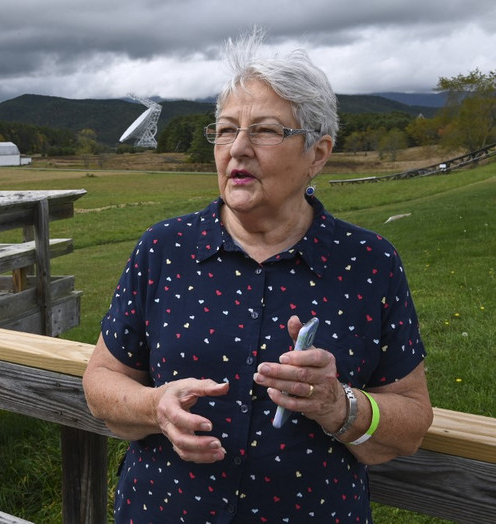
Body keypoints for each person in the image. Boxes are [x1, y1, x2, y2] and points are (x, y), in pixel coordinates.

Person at [82, 27, 433, 523]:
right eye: (226, 130)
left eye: (265, 130)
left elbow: (412, 422)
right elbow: (102, 379)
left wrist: (338, 405)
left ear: (318, 153)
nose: (237, 149)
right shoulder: (164, 249)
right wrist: (153, 407)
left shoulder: (369, 263)